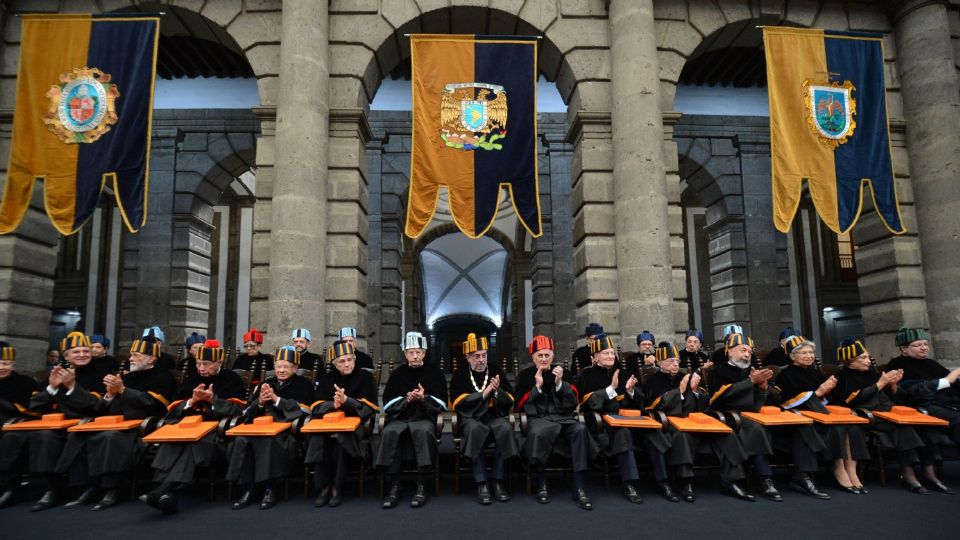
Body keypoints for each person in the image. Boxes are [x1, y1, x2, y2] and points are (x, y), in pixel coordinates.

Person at [56, 337, 177, 511]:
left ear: (151, 358)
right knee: (81, 434)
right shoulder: (126, 377)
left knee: (110, 437)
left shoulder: (163, 377)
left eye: (136, 355)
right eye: (131, 355)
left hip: (141, 427)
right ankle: (90, 487)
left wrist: (123, 390)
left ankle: (112, 489)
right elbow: (103, 407)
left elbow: (153, 405)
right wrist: (110, 395)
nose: (131, 359)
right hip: (114, 422)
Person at [143, 339, 247, 515]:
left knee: (194, 443)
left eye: (206, 364)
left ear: (219, 362)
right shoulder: (193, 378)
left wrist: (212, 400)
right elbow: (174, 408)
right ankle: (165, 493)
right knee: (171, 441)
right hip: (186, 426)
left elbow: (239, 411)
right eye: (198, 364)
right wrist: (192, 401)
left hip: (215, 432)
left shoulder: (232, 379)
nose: (201, 368)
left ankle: (164, 488)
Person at [834, 338, 950, 495]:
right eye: (863, 357)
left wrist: (893, 385)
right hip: (865, 415)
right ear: (850, 361)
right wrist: (880, 384)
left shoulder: (872, 373)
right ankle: (908, 475)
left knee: (923, 426)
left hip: (888, 412)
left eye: (868, 357)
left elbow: (898, 398)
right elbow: (849, 401)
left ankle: (929, 472)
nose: (868, 360)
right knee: (904, 428)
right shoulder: (842, 375)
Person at [643, 341, 751, 503]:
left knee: (726, 433)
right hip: (671, 423)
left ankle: (732, 481)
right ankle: (686, 482)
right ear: (659, 363)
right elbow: (656, 406)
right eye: (670, 361)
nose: (675, 364)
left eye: (677, 361)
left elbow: (703, 403)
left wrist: (693, 392)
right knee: (682, 436)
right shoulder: (653, 381)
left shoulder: (683, 376)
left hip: (695, 419)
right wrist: (679, 391)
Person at [13, 332, 109, 511]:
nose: (82, 354)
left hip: (87, 422)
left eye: (85, 350)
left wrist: (72, 386)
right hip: (56, 424)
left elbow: (97, 406)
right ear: (66, 356)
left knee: (80, 436)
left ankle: (85, 487)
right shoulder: (57, 370)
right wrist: (52, 387)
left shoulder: (101, 372)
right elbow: (35, 407)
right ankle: (52, 487)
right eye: (76, 351)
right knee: (43, 436)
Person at [776, 335, 869, 496]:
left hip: (822, 413)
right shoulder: (786, 374)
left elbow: (827, 399)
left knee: (852, 427)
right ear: (792, 356)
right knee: (837, 428)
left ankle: (851, 471)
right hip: (801, 416)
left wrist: (827, 391)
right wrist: (819, 392)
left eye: (811, 352)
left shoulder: (815, 372)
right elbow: (786, 403)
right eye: (804, 353)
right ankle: (838, 469)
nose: (809, 356)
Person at [226, 345, 314, 510]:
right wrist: (259, 402)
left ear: (295, 367)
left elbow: (305, 411)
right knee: (240, 440)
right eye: (278, 366)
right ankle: (248, 489)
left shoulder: (303, 385)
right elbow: (247, 411)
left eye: (286, 366)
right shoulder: (266, 383)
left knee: (268, 442)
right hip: (258, 427)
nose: (281, 370)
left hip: (285, 432)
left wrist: (276, 399)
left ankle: (270, 488)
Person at [707, 332, 792, 502]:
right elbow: (720, 399)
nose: (747, 354)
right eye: (743, 350)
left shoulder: (753, 372)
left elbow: (770, 400)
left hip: (751, 414)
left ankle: (768, 476)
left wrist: (763, 387)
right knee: (755, 428)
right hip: (727, 415)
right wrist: (750, 382)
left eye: (749, 352)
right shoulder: (718, 371)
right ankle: (764, 478)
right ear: (730, 352)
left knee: (766, 427)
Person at [515, 335, 597, 510]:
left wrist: (560, 384)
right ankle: (542, 483)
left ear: (552, 356)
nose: (544, 359)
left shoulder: (563, 372)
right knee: (539, 433)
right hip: (540, 419)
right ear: (533, 357)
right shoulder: (525, 375)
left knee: (580, 430)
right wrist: (536, 387)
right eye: (540, 355)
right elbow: (518, 404)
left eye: (547, 355)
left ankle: (580, 486)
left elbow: (575, 401)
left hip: (563, 418)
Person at [578, 334, 655, 505]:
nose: (611, 357)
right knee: (623, 433)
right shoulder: (587, 375)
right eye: (606, 353)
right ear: (594, 357)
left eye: (612, 353)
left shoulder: (623, 372)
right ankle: (629, 484)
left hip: (629, 418)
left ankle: (665, 481)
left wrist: (630, 391)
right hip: (602, 424)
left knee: (656, 433)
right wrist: (611, 389)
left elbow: (641, 399)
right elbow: (589, 404)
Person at [375, 331, 448, 509]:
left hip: (423, 417)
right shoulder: (398, 374)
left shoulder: (435, 372)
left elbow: (442, 402)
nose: (415, 356)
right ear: (406, 354)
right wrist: (406, 400)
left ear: (424, 353)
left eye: (418, 352)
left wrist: (423, 398)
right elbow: (387, 402)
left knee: (422, 432)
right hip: (400, 417)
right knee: (390, 432)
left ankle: (422, 485)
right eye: (411, 352)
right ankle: (395, 486)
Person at [884, 327, 960, 490]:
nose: (924, 347)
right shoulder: (896, 365)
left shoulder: (931, 363)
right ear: (904, 349)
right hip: (922, 405)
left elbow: (954, 384)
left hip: (946, 402)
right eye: (918, 345)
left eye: (926, 344)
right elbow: (909, 392)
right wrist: (948, 380)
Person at [307, 340, 378, 508]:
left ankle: (337, 489)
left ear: (354, 360)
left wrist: (347, 401)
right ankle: (324, 487)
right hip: (328, 425)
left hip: (355, 427)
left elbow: (370, 409)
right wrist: (334, 405)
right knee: (319, 438)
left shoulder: (365, 377)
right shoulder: (327, 379)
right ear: (334, 364)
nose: (347, 364)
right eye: (342, 361)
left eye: (350, 360)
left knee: (339, 439)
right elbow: (315, 407)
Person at [449, 333, 518, 505]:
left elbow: (510, 400)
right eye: (476, 356)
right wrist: (484, 394)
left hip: (493, 416)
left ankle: (498, 480)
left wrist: (496, 392)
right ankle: (482, 483)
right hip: (470, 419)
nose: (481, 360)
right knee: (475, 430)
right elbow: (458, 404)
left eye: (484, 355)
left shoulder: (495, 370)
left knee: (504, 428)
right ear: (467, 357)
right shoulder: (459, 374)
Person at [0, 341, 41, 508]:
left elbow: (37, 409)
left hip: (18, 426)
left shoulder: (25, 382)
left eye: (5, 363)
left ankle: (9, 488)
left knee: (12, 438)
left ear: (12, 363)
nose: (1, 367)